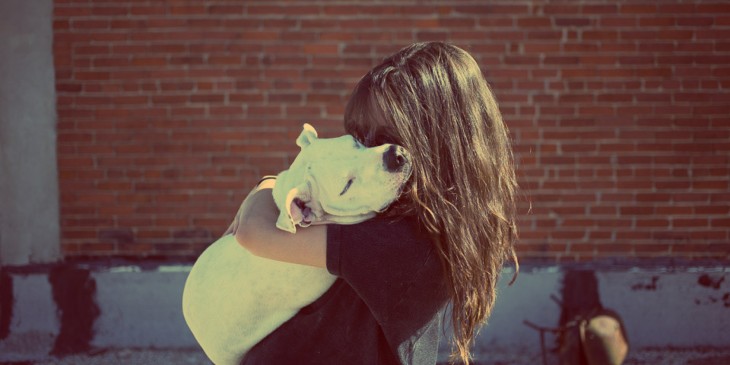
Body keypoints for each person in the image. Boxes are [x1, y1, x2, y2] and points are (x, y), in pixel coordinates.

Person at [227, 42, 519, 365]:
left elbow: (253, 231)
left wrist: (270, 184)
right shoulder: (431, 230)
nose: (368, 153)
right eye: (360, 138)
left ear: (435, 142)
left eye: (383, 139)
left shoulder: (397, 242)